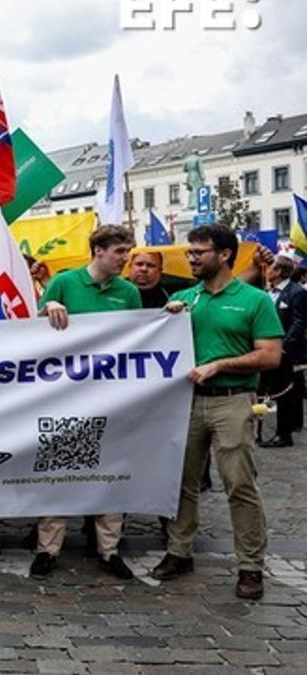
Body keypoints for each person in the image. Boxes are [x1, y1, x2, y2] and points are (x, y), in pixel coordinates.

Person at [151, 225, 283, 600]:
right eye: (190, 252)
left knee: (239, 484)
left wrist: (219, 365)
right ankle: (179, 551)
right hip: (187, 401)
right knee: (181, 482)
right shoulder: (183, 298)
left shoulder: (254, 300)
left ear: (224, 255)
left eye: (198, 252)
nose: (191, 258)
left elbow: (270, 355)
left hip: (233, 400)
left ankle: (250, 565)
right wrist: (164, 320)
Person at [29, 225, 142, 582]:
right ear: (98, 250)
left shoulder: (128, 292)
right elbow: (29, 332)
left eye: (127, 251)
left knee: (110, 471)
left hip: (110, 396)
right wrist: (48, 305)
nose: (126, 258)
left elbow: (141, 337)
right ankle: (48, 548)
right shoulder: (64, 282)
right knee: (60, 469)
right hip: (66, 395)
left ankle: (109, 549)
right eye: (120, 251)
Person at [258, 255, 307, 448]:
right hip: (266, 350)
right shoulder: (268, 293)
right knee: (266, 390)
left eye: (270, 268)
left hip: (285, 353)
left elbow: (299, 322)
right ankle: (260, 431)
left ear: (278, 271)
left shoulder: (296, 292)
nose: (267, 271)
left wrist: (284, 347)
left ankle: (284, 434)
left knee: (285, 393)